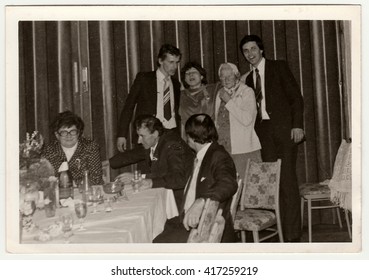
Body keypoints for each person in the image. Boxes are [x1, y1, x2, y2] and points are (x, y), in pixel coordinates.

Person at [239, 34, 305, 242]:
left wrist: (297, 125)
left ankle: (293, 237)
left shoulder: (279, 67)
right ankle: (282, 233)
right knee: (274, 183)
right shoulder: (248, 79)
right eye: (246, 51)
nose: (250, 54)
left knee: (287, 180)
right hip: (264, 134)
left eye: (253, 49)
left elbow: (296, 98)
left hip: (285, 131)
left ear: (261, 50)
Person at [153, 114, 238, 243]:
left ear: (191, 138)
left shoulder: (218, 155)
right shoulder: (202, 155)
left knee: (155, 243)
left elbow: (228, 183)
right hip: (190, 221)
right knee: (156, 227)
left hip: (204, 228)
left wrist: (201, 201)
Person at [110, 44, 182, 170]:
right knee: (146, 170)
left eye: (177, 62)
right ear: (160, 60)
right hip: (147, 133)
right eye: (171, 62)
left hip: (169, 134)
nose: (175, 67)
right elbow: (129, 106)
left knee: (168, 171)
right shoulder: (144, 79)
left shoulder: (176, 84)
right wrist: (122, 134)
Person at [115, 115, 194, 208]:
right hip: (165, 194)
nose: (139, 141)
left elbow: (179, 178)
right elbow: (133, 155)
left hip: (179, 202)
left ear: (155, 133)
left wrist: (148, 181)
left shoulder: (172, 145)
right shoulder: (154, 140)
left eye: (142, 136)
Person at [214, 62, 261, 180]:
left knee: (248, 185)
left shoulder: (247, 92)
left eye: (230, 76)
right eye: (223, 77)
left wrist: (229, 101)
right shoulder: (219, 93)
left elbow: (247, 120)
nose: (226, 79)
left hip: (243, 149)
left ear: (237, 75)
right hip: (224, 148)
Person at [41, 110, 104, 185]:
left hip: (86, 192)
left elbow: (95, 178)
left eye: (72, 131)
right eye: (64, 132)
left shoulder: (90, 147)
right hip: (61, 193)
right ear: (57, 135)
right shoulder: (49, 150)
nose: (69, 136)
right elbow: (46, 178)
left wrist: (67, 182)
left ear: (78, 133)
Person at [179, 62, 220, 133]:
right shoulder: (181, 95)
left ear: (201, 76)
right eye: (187, 73)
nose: (191, 75)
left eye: (194, 72)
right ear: (185, 79)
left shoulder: (213, 89)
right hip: (189, 135)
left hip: (208, 133)